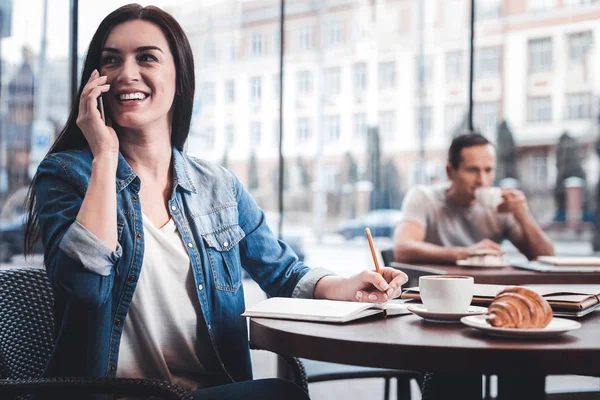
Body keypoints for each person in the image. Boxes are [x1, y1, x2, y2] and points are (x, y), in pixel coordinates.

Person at [23, 4, 408, 400]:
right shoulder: (67, 175)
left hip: (209, 390)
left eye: (147, 58)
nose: (126, 73)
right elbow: (85, 290)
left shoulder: (218, 185)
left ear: (179, 76)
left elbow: (285, 274)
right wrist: (104, 155)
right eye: (111, 60)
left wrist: (348, 286)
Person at [393, 132, 554, 264]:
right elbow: (402, 249)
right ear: (450, 171)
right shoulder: (424, 198)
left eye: (488, 170)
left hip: (486, 293)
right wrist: (465, 253)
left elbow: (547, 258)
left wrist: (523, 216)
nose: (482, 180)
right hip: (435, 293)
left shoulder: (501, 206)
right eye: (472, 170)